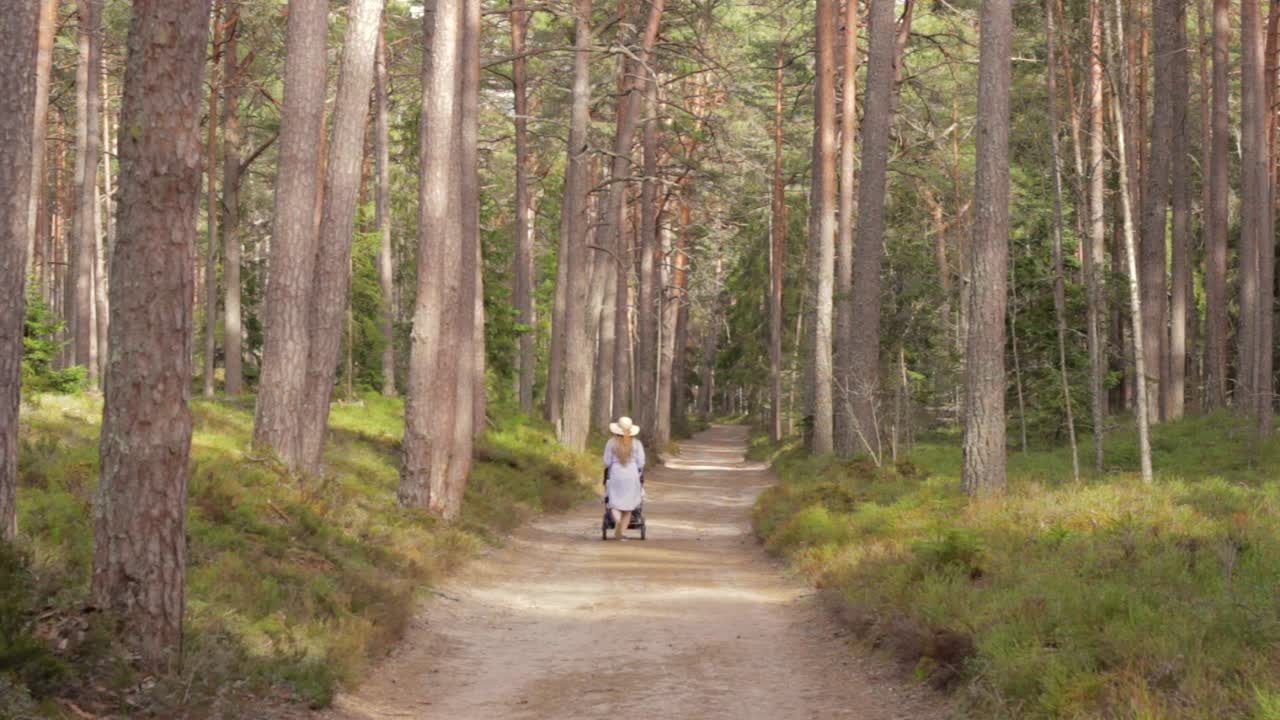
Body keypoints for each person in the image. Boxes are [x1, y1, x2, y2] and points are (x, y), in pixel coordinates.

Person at [603, 416, 645, 540]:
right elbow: (641, 462)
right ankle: (621, 532)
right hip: (631, 474)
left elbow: (606, 461)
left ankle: (617, 521)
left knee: (615, 503)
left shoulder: (611, 442)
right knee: (628, 507)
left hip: (616, 474)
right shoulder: (636, 443)